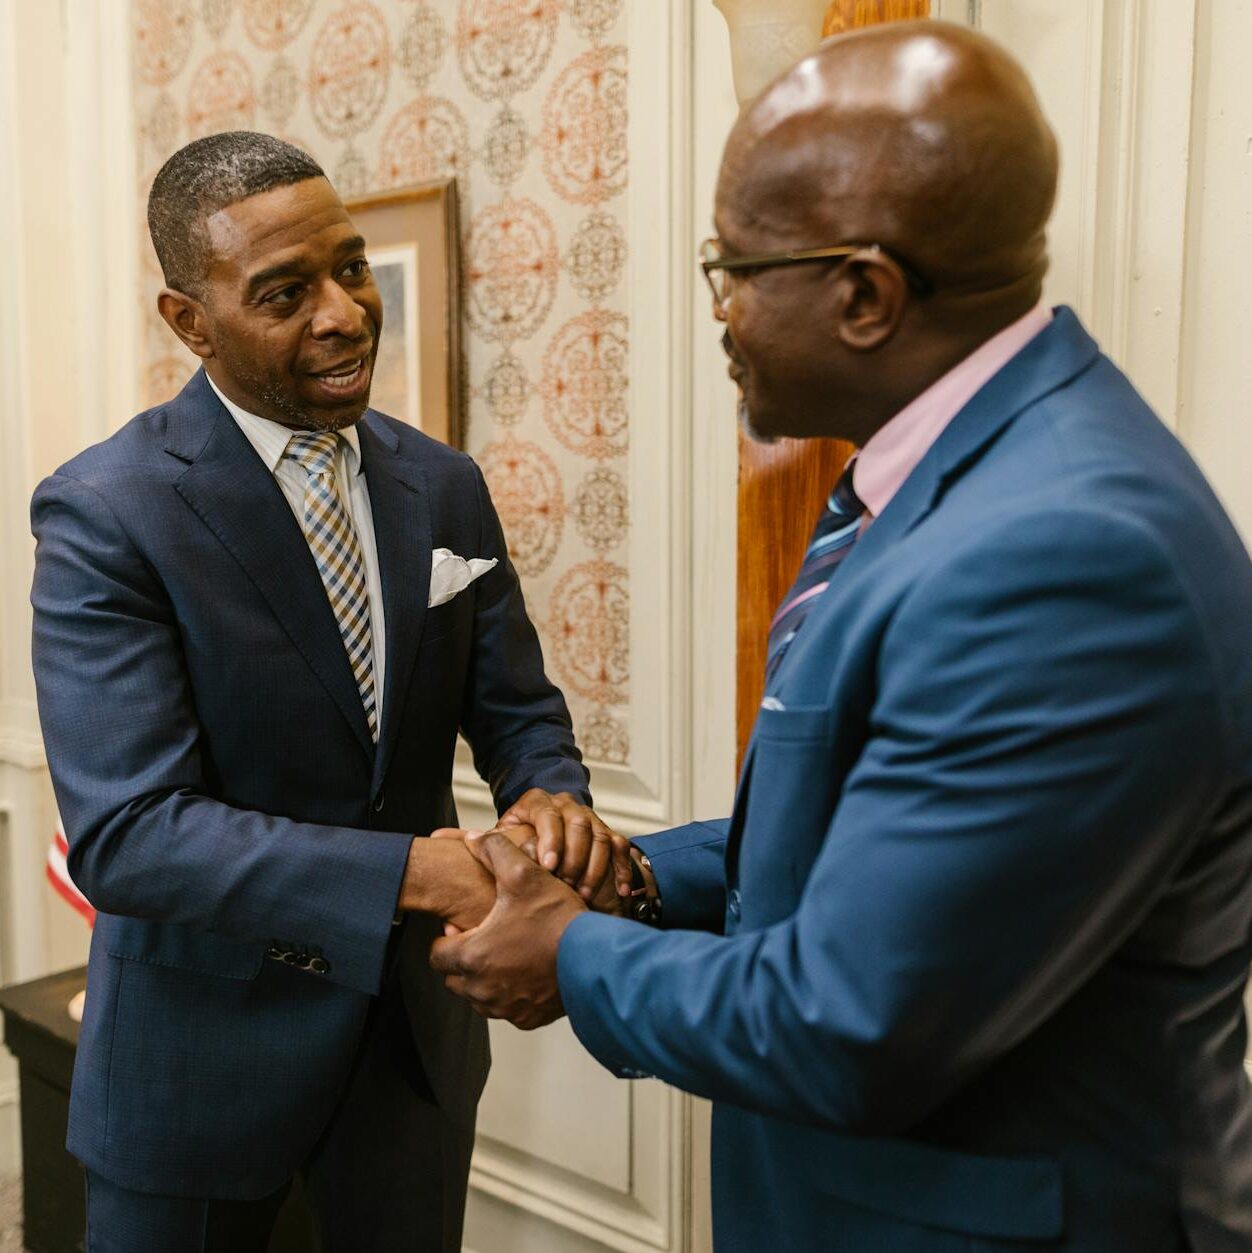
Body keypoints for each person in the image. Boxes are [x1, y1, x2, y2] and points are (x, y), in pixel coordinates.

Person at [430, 21, 1252, 1251]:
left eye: (734, 269)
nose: (718, 313)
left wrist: (575, 955)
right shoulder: (933, 476)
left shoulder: (1066, 551)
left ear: (862, 292)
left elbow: (853, 1018)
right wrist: (642, 876)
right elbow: (862, 836)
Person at [30, 131, 626, 1253]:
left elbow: (517, 709)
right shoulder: (107, 512)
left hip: (412, 1054)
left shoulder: (443, 485)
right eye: (284, 292)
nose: (346, 313)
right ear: (188, 321)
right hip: (198, 1062)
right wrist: (415, 869)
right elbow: (130, 834)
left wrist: (548, 792)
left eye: (350, 267)